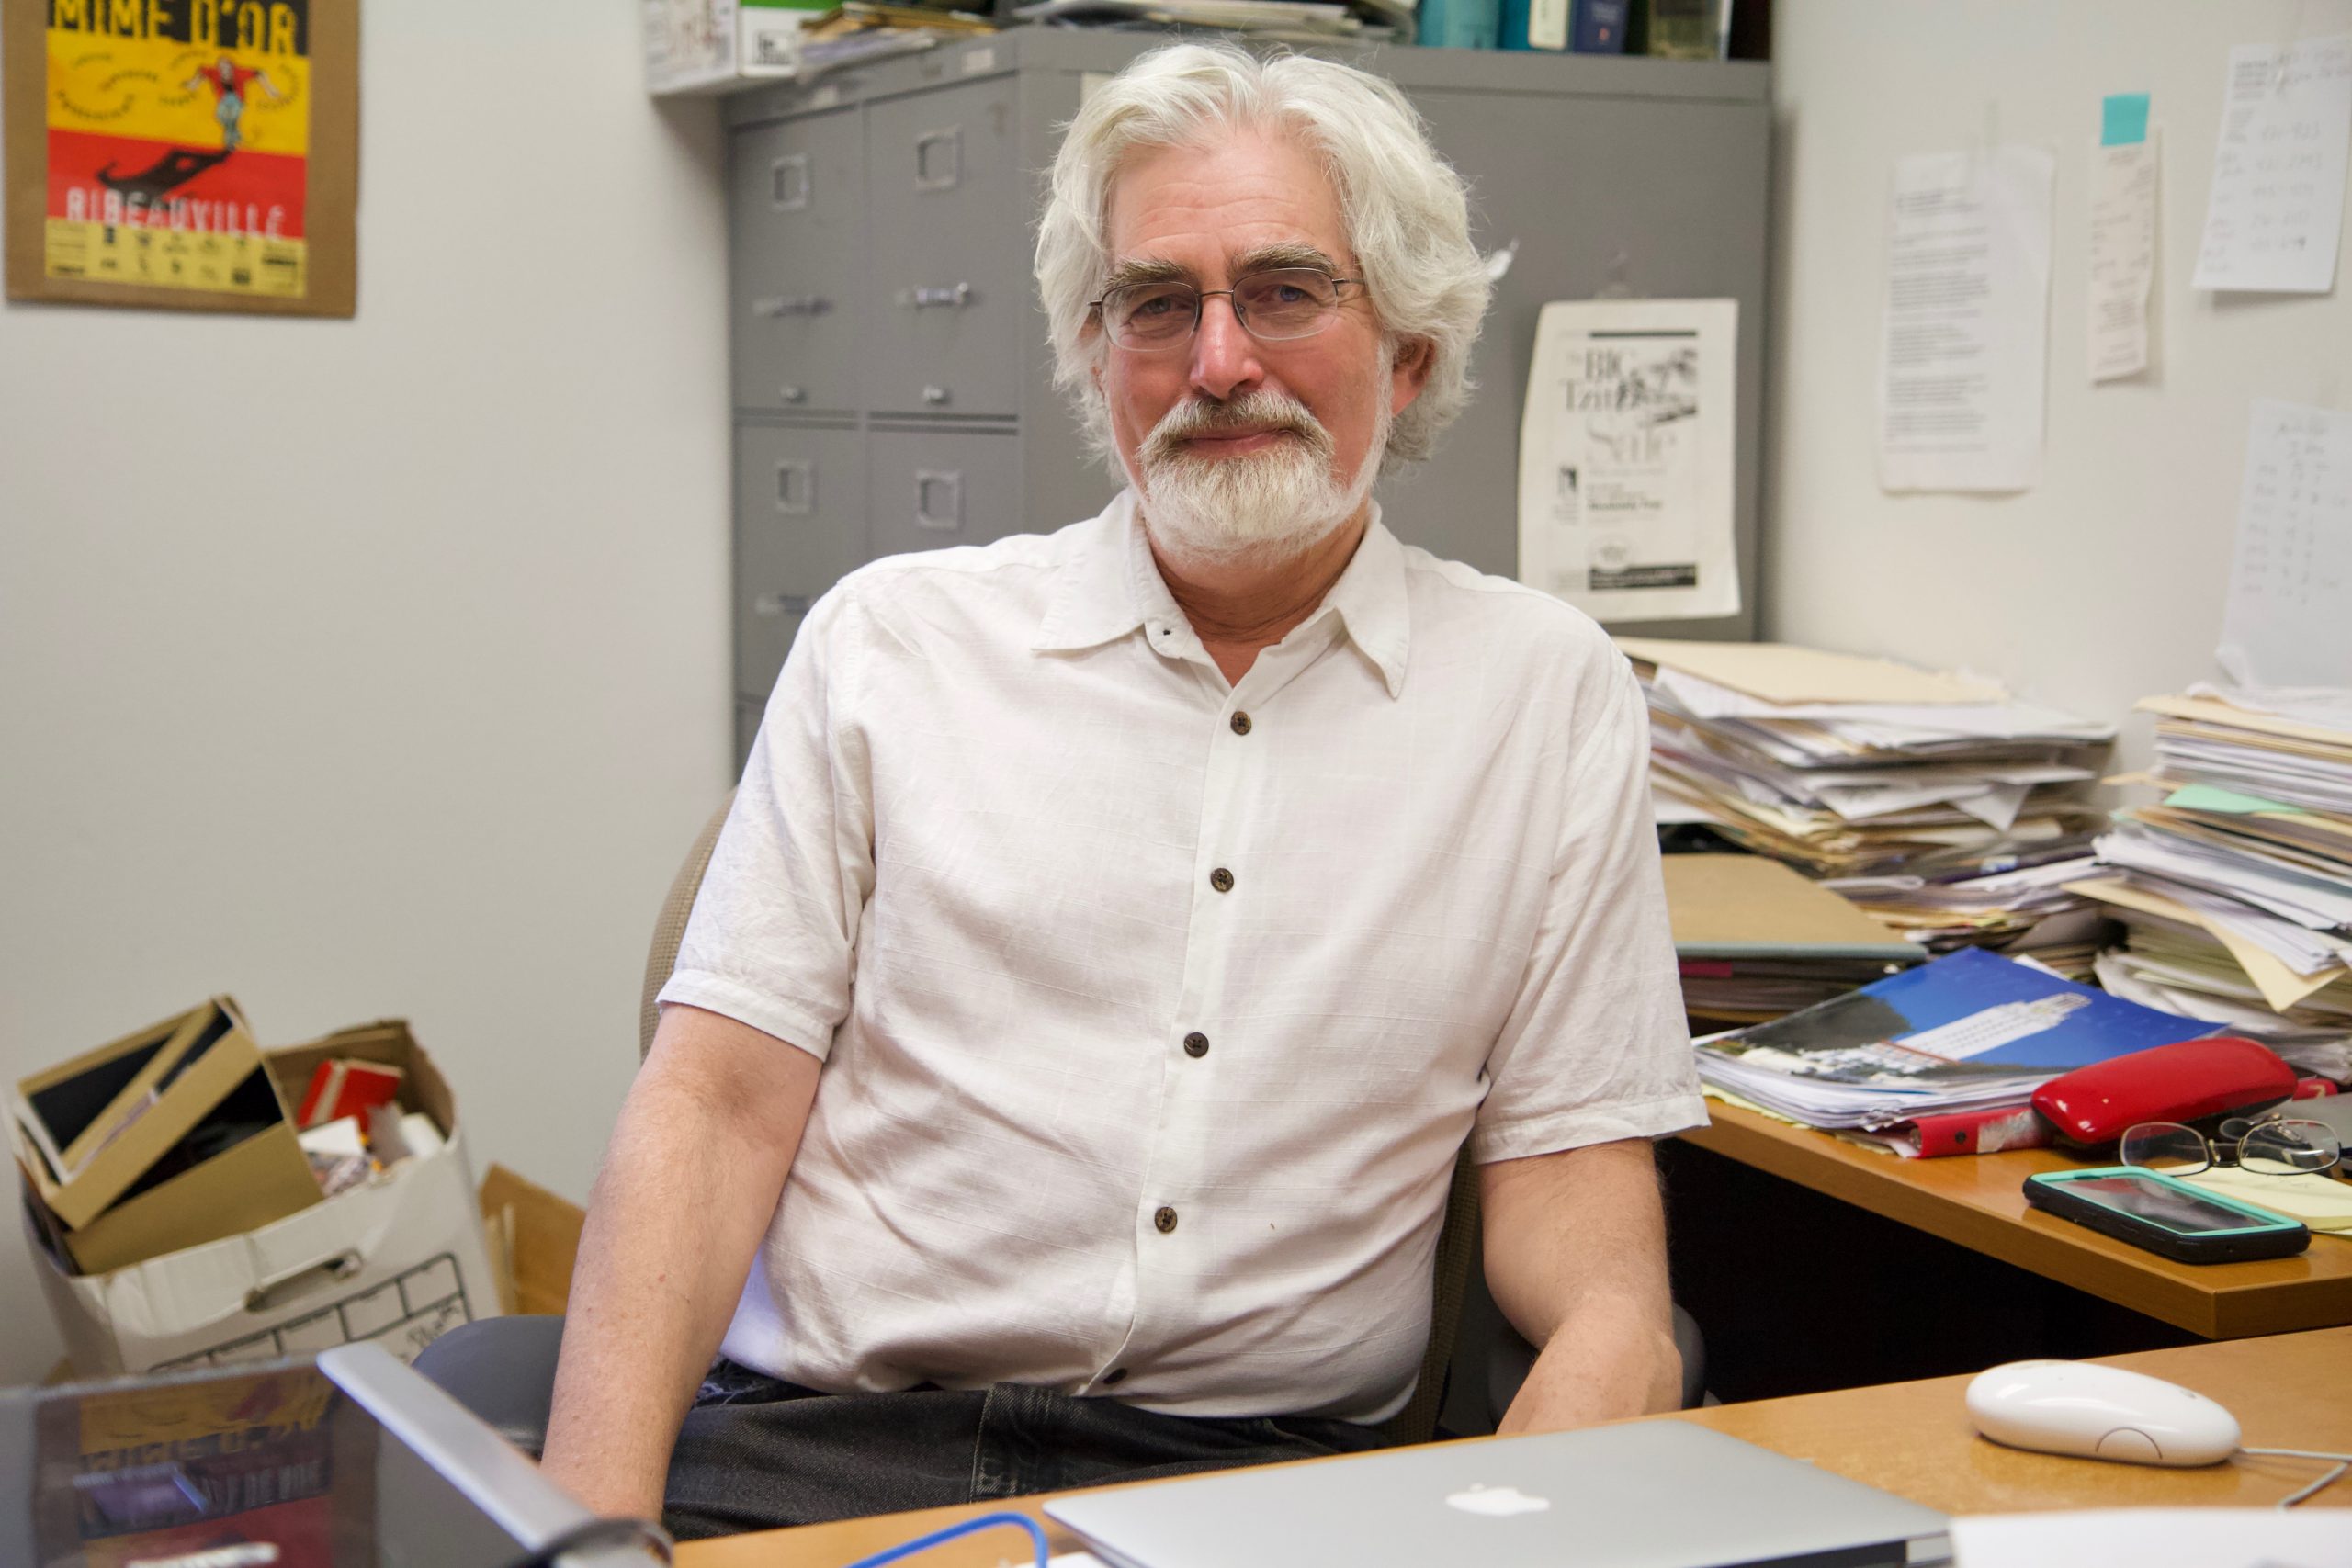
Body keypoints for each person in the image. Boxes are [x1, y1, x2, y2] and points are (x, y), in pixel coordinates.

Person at [539, 40, 1705, 1540]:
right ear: (1100, 359)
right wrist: (590, 1522)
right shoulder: (894, 644)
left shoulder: (1545, 696)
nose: (1219, 364)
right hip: (826, 1454)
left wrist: (1527, 1501)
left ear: (1408, 350)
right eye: (1158, 304)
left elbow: (1582, 1226)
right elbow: (711, 1111)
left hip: (1258, 1490)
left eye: (1284, 292)